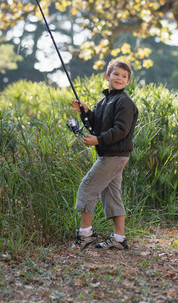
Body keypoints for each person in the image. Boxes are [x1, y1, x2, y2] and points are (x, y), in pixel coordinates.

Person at [69, 59, 138, 250]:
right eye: (116, 74)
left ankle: (86, 234)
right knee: (112, 194)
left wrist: (97, 140)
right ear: (108, 76)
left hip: (114, 155)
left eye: (124, 76)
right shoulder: (105, 101)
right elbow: (97, 124)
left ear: (128, 81)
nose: (120, 78)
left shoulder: (124, 102)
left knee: (87, 187)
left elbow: (121, 130)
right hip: (113, 155)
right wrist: (85, 112)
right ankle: (119, 238)